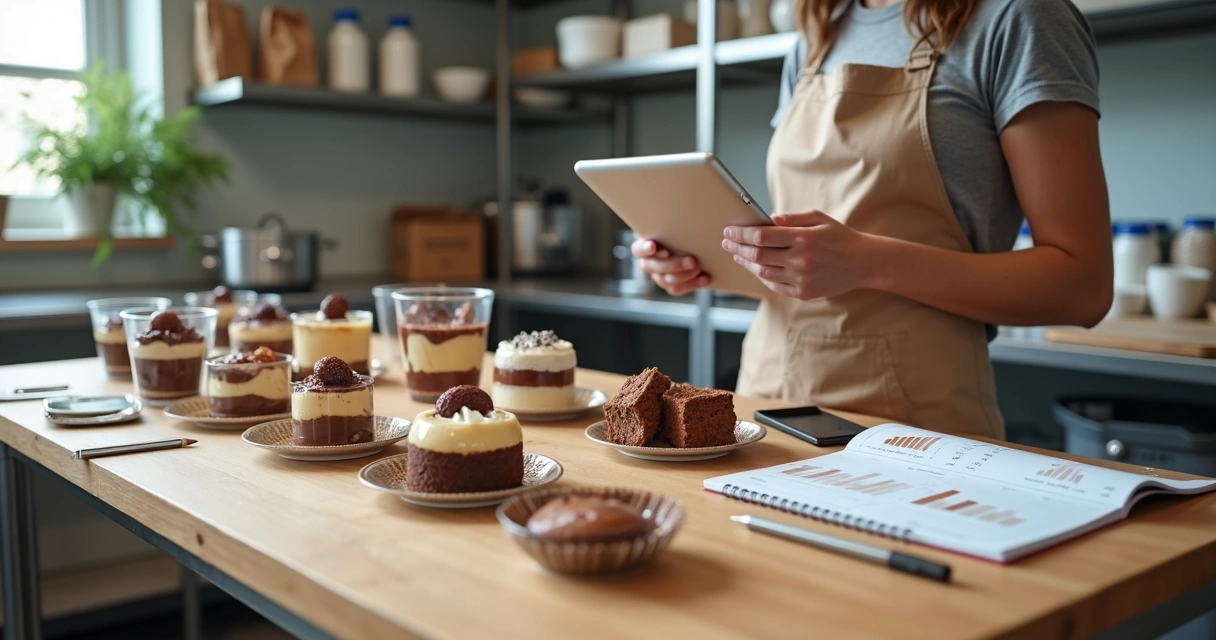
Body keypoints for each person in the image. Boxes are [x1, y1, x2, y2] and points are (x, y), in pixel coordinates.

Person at [633, 0, 1112, 439]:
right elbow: (812, 269)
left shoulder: (1018, 17)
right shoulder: (816, 33)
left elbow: (1083, 287)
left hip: (914, 427)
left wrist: (870, 261)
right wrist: (699, 262)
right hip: (770, 400)